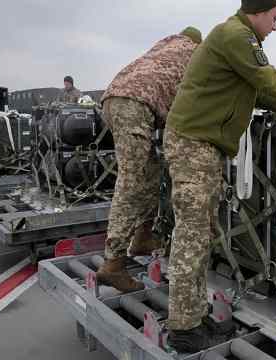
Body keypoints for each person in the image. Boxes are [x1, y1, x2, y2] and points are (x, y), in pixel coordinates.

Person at [164, 0, 276, 352]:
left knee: (203, 232)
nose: (275, 26)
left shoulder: (238, 39)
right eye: (274, 18)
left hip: (201, 145)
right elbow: (268, 78)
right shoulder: (235, 35)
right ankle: (183, 327)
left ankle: (193, 315)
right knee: (193, 236)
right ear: (258, 11)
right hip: (193, 144)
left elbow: (265, 92)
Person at [95, 27, 203, 293]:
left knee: (151, 171)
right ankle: (113, 263)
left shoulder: (166, 45)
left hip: (116, 98)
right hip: (134, 104)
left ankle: (143, 236)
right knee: (132, 181)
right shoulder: (195, 52)